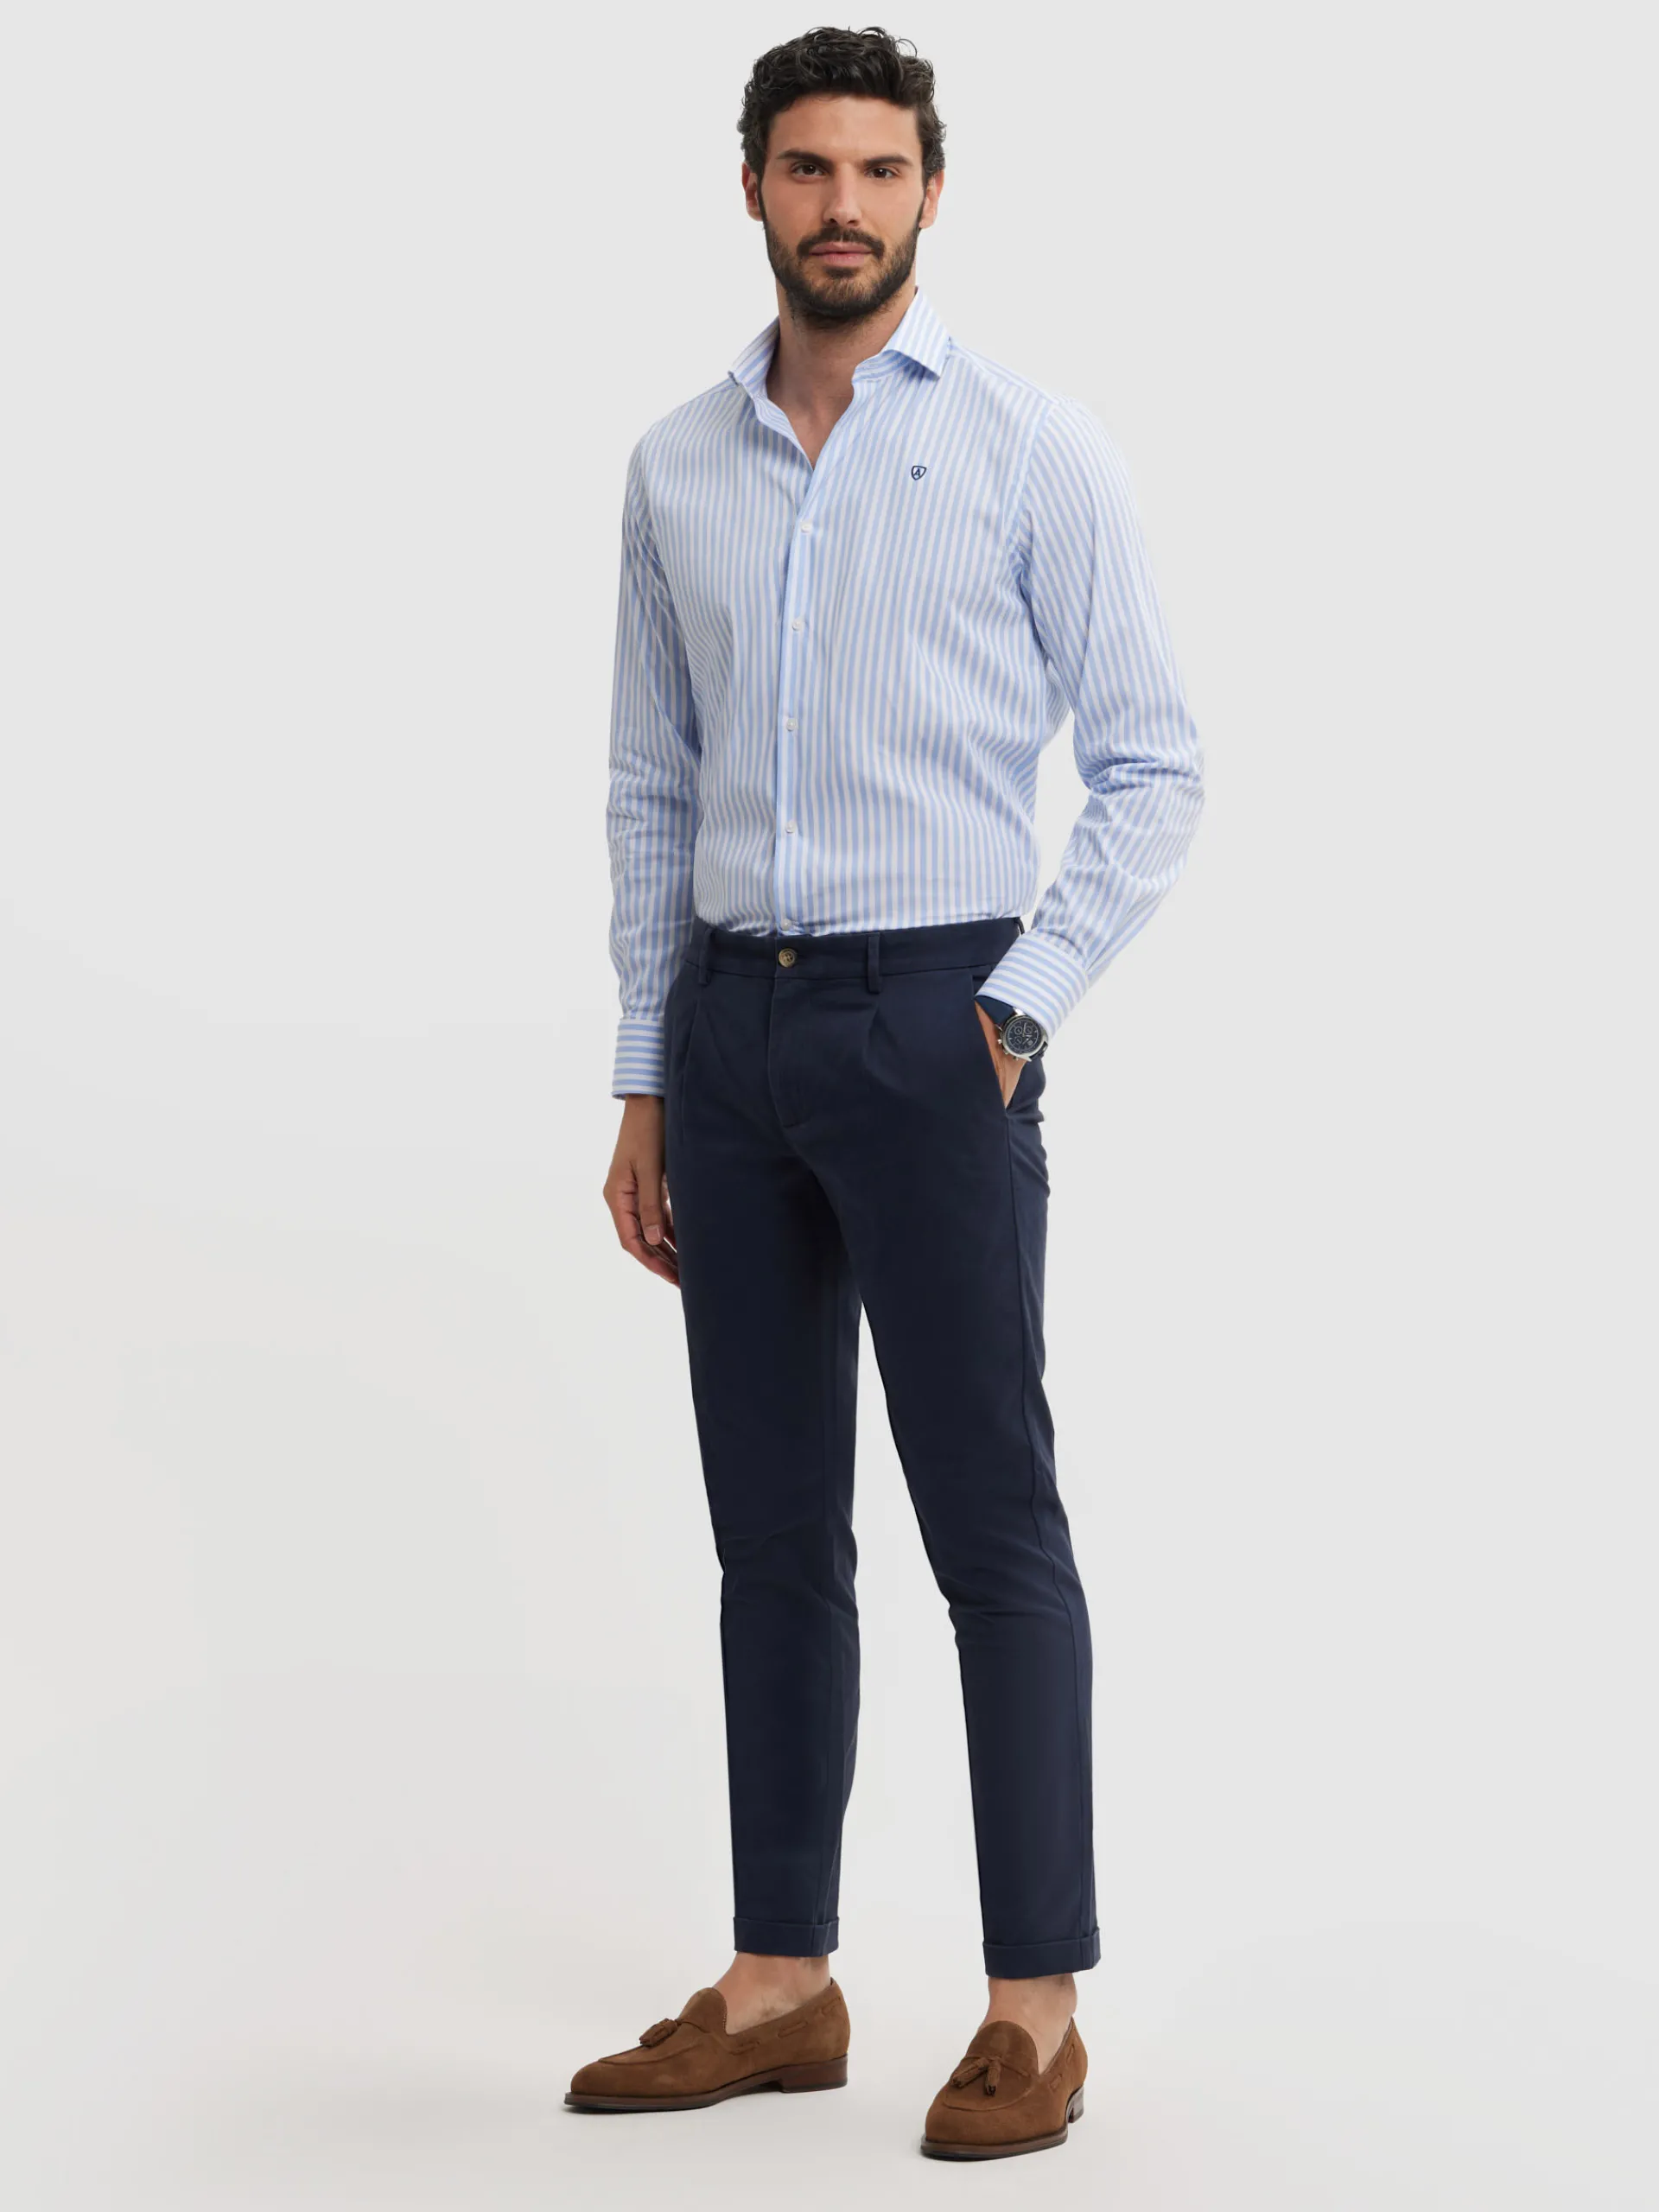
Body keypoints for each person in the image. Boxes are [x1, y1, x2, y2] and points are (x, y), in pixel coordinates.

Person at [574, 24, 1204, 2161]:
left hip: (939, 1023)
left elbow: (1155, 761)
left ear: (932, 193)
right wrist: (649, 1073)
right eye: (806, 166)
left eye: (878, 169)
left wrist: (1009, 1014)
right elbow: (651, 786)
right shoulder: (675, 465)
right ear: (752, 187)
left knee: (990, 1521)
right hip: (730, 1035)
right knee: (771, 1532)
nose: (842, 204)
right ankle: (784, 1980)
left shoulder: (1028, 446)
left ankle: (1037, 2003)